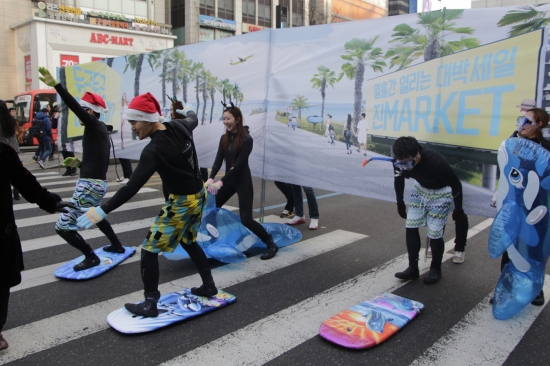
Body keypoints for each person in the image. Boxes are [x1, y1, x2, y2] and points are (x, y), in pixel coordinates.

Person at [76, 93, 217, 317]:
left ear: (149, 119)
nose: (132, 128)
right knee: (188, 241)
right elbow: (193, 119)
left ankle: (150, 304)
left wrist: (102, 209)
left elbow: (131, 187)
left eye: (134, 121)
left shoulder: (153, 150)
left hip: (181, 203)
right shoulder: (180, 126)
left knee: (149, 250)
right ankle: (209, 286)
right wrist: (188, 111)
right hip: (198, 196)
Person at [38, 67, 125, 271]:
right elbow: (99, 159)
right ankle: (117, 245)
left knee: (61, 227)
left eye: (83, 111)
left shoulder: (93, 123)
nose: (78, 116)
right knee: (95, 214)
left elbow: (73, 105)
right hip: (96, 183)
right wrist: (79, 164)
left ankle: (91, 256)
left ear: (90, 111)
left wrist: (57, 86)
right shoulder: (99, 128)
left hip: (88, 186)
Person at [0, 141, 75, 350]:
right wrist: (50, 202)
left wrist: (50, 201)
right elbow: (25, 181)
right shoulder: (3, 151)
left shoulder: (3, 152)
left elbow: (25, 181)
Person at [491, 108, 550, 306]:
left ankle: (535, 290)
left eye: (526, 120)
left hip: (537, 209)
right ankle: (506, 288)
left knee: (534, 250)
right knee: (509, 247)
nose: (521, 124)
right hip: (514, 205)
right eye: (520, 120)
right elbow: (506, 171)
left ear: (539, 124)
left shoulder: (547, 148)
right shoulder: (512, 144)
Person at [206, 102, 279, 260]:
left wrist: (220, 182)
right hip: (230, 180)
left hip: (242, 181)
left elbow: (238, 166)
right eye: (223, 119)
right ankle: (213, 240)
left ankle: (271, 243)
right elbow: (218, 160)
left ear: (237, 119)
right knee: (211, 210)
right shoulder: (224, 138)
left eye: (228, 118)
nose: (225, 122)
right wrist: (211, 177)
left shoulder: (247, 139)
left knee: (246, 219)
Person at [393, 136, 467, 284]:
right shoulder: (399, 161)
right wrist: (399, 202)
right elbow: (398, 180)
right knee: (411, 225)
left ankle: (435, 268)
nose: (406, 167)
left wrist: (458, 209)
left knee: (434, 231)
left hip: (441, 192)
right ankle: (413, 268)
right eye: (402, 164)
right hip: (420, 190)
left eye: (409, 162)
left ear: (418, 154)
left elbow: (456, 185)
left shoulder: (435, 161)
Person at [1, 103, 21, 200]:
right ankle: (16, 194)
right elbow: (15, 134)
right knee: (15, 174)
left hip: (2, 153)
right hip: (12, 151)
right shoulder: (12, 121)